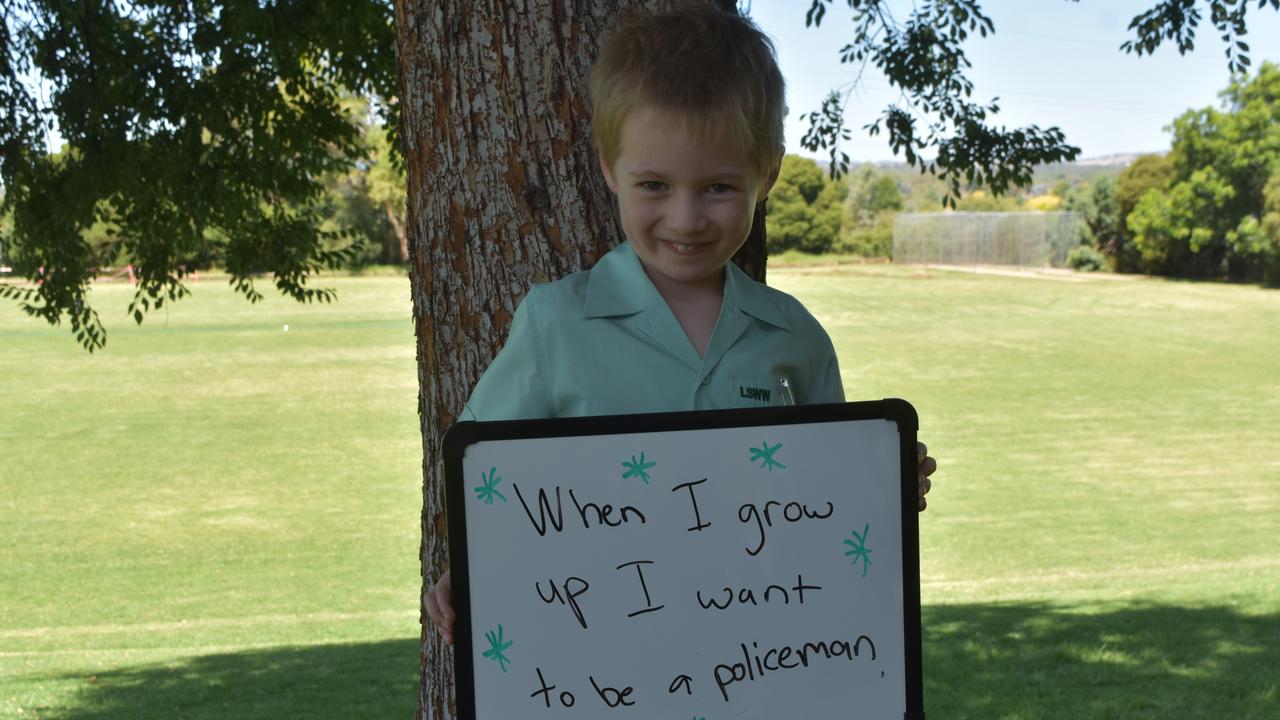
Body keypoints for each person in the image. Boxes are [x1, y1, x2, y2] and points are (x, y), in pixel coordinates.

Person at [426, 0, 936, 645]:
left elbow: (822, 511)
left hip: (763, 657)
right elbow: (483, 476)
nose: (687, 218)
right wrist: (470, 566)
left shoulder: (795, 338)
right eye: (655, 186)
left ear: (767, 174)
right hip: (603, 660)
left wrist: (880, 483)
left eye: (719, 187)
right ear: (611, 170)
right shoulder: (554, 324)